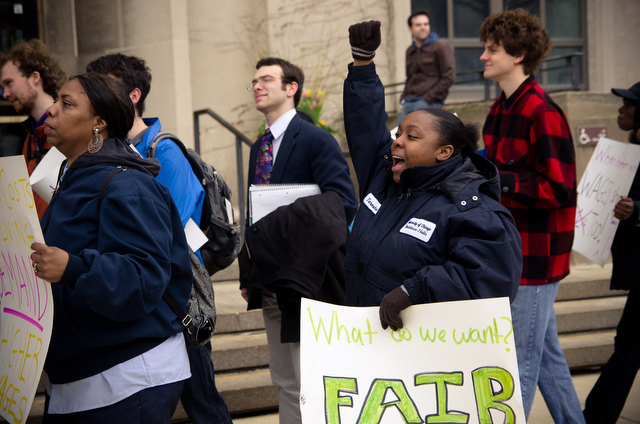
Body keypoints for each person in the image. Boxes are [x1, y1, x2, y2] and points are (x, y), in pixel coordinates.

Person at [30, 73, 192, 423]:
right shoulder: (75, 177)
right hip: (79, 376)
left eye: (66, 103)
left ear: (99, 123)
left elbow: (144, 277)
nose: (50, 112)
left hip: (126, 379)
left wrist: (73, 268)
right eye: (56, 101)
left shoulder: (127, 183)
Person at [343, 20, 522, 330]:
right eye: (398, 133)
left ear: (444, 152)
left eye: (411, 136)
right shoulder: (385, 179)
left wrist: (414, 290)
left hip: (421, 362)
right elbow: (365, 128)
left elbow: (489, 280)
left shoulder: (473, 210)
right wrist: (362, 63)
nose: (396, 141)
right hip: (366, 347)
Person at [85, 53, 232, 424]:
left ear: (133, 95)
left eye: (104, 86)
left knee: (203, 403)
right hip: (150, 297)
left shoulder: (163, 150)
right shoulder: (110, 151)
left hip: (175, 299)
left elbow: (170, 235)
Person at [240, 57, 357, 424]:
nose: (257, 86)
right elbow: (253, 211)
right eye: (255, 81)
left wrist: (290, 218)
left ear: (291, 88)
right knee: (284, 380)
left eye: (267, 80)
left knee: (310, 378)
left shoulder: (316, 139)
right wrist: (248, 272)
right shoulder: (258, 146)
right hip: (269, 280)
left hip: (308, 280)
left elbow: (344, 203)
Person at [479, 9, 582, 423]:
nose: (483, 56)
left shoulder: (543, 112)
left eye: (492, 49)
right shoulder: (498, 111)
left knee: (518, 366)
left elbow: (559, 188)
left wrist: (497, 181)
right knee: (546, 359)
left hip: (536, 261)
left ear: (519, 54)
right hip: (511, 253)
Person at [583, 82, 640, 423]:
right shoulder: (631, 150)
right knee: (629, 345)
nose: (621, 110)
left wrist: (637, 210)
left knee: (628, 346)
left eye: (628, 104)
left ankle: (596, 417)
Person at [0, 39, 66, 218]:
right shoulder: (30, 137)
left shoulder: (68, 128)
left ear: (35, 78)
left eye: (9, 83)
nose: (5, 94)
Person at [397, 9, 455, 126]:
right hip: (408, 102)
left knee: (420, 140)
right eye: (418, 25)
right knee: (397, 138)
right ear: (410, 29)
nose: (423, 27)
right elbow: (410, 77)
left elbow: (449, 76)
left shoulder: (441, 47)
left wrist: (428, 98)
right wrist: (403, 97)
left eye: (426, 24)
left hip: (429, 103)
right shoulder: (410, 51)